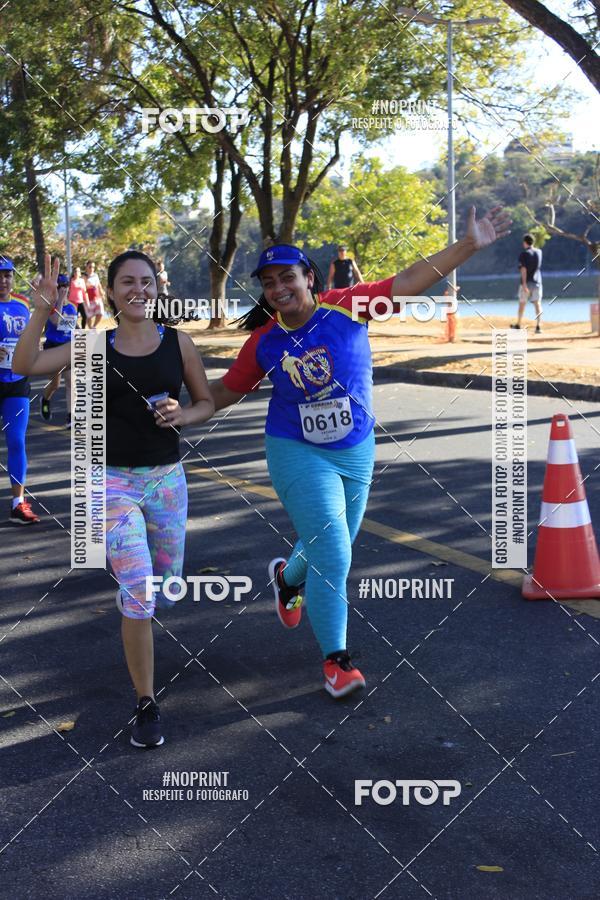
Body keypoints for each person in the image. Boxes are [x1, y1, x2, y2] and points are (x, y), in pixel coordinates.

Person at [209, 206, 511, 699]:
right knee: (334, 549)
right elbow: (225, 391)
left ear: (310, 277)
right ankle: (337, 662)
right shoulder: (264, 342)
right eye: (268, 282)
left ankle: (288, 579)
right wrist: (183, 411)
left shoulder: (349, 305)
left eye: (288, 276)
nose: (279, 288)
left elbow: (412, 279)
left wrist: (469, 246)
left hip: (355, 450)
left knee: (337, 541)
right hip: (294, 449)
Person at [14, 251, 214, 747]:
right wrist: (41, 309)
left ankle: (135, 613)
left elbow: (205, 402)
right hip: (109, 484)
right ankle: (146, 701)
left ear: (157, 288)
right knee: (140, 590)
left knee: (166, 586)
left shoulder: (179, 343)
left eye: (146, 281)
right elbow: (25, 365)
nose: (138, 290)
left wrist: (183, 416)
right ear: (111, 291)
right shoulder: (92, 346)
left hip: (167, 480)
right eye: (127, 282)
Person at [0, 255, 40, 524]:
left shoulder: (23, 306)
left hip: (16, 383)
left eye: (8, 275)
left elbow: (32, 340)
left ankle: (18, 503)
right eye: (0, 275)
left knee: (16, 440)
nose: (4, 280)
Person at [40, 273, 77, 427]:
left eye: (65, 286)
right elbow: (55, 322)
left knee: (71, 382)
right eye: (60, 286)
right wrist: (60, 300)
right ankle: (45, 399)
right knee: (55, 384)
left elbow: (72, 328)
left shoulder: (73, 307)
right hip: (53, 347)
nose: (63, 289)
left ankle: (71, 417)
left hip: (68, 346)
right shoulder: (51, 306)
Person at [511, 234, 542, 333]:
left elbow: (523, 269)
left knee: (522, 303)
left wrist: (524, 284)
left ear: (525, 242)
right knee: (537, 304)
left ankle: (518, 324)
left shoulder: (524, 254)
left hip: (526, 282)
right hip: (537, 282)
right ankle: (538, 326)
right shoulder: (539, 252)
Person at [84, 260, 105, 328]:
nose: (91, 269)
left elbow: (99, 285)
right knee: (89, 316)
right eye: (90, 267)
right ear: (86, 267)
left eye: (93, 267)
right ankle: (90, 329)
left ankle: (94, 326)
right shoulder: (84, 277)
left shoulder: (95, 275)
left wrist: (102, 292)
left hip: (97, 298)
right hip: (88, 300)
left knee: (100, 313)